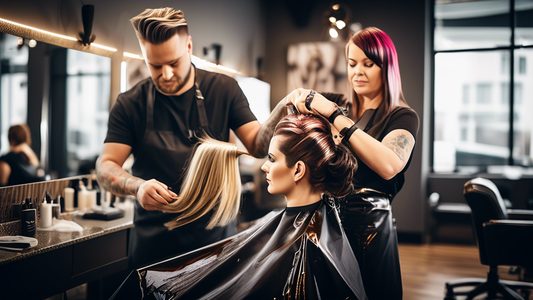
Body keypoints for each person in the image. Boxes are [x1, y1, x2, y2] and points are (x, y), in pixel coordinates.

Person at [96, 7, 287, 269]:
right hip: (155, 249)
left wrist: (284, 106)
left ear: (189, 46)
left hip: (215, 244)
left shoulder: (223, 90)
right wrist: (136, 186)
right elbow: (106, 165)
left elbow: (257, 146)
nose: (165, 74)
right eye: (154, 65)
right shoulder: (130, 104)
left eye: (173, 63)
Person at [112, 113, 367, 300]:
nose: (265, 166)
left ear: (298, 170)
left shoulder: (307, 245)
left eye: (271, 159)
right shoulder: (321, 223)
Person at [288, 27, 419, 300]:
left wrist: (335, 117)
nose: (357, 71)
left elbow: (389, 164)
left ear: (387, 68)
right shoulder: (340, 105)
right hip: (328, 223)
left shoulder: (402, 117)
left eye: (368, 64)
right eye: (351, 64)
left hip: (368, 230)